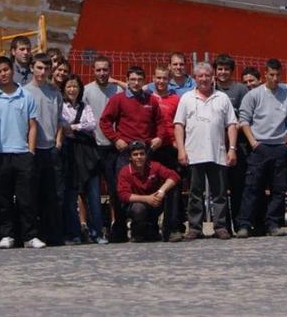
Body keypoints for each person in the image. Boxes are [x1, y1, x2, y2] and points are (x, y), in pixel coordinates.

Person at [100, 65, 171, 242]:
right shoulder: (118, 99)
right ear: (127, 80)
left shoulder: (151, 100)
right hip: (126, 152)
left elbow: (161, 122)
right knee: (120, 191)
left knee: (150, 187)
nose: (136, 83)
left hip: (146, 151)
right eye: (132, 79)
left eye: (139, 80)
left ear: (144, 81)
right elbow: (105, 121)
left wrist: (159, 138)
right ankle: (120, 229)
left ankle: (150, 229)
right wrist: (116, 139)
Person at [174, 62, 238, 240]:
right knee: (195, 194)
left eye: (207, 75)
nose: (204, 79)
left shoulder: (222, 98)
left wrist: (232, 149)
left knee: (220, 193)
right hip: (193, 153)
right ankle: (195, 228)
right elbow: (179, 126)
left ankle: (221, 227)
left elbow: (232, 125)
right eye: (200, 76)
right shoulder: (186, 98)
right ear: (195, 78)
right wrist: (181, 149)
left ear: (213, 77)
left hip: (217, 153)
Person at [0, 56, 46, 249]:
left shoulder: (26, 95)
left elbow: (32, 126)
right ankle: (7, 235)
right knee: (2, 198)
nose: (3, 74)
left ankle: (29, 236)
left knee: (26, 198)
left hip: (22, 153)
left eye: (5, 70)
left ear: (11, 70)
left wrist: (30, 152)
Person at [235, 59, 287, 237]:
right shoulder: (253, 95)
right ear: (265, 75)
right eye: (271, 75)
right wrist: (254, 143)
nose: (275, 78)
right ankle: (245, 224)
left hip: (279, 147)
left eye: (278, 75)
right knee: (252, 188)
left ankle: (273, 224)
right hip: (259, 147)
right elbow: (244, 120)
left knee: (278, 189)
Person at [25, 53, 65, 245]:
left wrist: (58, 142)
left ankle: (52, 234)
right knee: (31, 194)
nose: (42, 72)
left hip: (50, 148)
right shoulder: (24, 92)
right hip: (32, 149)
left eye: (46, 68)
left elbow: (58, 120)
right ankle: (32, 234)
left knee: (52, 195)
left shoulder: (55, 93)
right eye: (39, 67)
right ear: (32, 67)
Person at [59, 74, 102, 244]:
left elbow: (92, 123)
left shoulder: (86, 107)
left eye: (75, 86)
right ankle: (74, 232)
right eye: (68, 86)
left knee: (93, 194)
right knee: (71, 195)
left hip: (87, 151)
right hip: (70, 151)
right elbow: (62, 125)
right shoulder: (61, 106)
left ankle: (96, 232)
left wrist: (74, 127)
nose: (72, 90)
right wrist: (76, 128)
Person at [82, 56, 120, 244]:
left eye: (105, 70)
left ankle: (116, 226)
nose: (102, 73)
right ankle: (93, 230)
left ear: (110, 70)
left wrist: (118, 82)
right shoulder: (87, 91)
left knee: (115, 190)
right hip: (93, 147)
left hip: (113, 147)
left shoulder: (118, 89)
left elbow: (138, 90)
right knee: (93, 192)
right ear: (93, 71)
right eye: (98, 70)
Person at [116, 141, 180, 242]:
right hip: (136, 205)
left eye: (142, 154)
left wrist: (161, 191)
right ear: (130, 158)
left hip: (155, 201)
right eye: (135, 154)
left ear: (146, 155)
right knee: (139, 208)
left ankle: (169, 231)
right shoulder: (125, 171)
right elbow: (123, 195)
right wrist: (147, 199)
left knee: (172, 189)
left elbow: (174, 176)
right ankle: (137, 232)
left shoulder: (155, 166)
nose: (139, 157)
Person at [214, 54, 250, 231]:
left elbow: (246, 116)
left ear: (231, 71)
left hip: (239, 146)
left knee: (238, 187)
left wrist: (234, 131)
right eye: (219, 69)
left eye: (226, 69)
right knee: (220, 189)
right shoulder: (210, 89)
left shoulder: (241, 90)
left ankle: (240, 224)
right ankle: (223, 226)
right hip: (216, 145)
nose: (223, 72)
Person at [150, 65, 184, 241]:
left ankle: (172, 227)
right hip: (153, 148)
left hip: (170, 148)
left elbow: (180, 123)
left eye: (164, 78)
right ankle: (150, 226)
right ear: (153, 78)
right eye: (158, 78)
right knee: (152, 187)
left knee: (173, 187)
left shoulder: (175, 99)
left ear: (169, 80)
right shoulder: (148, 98)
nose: (161, 81)